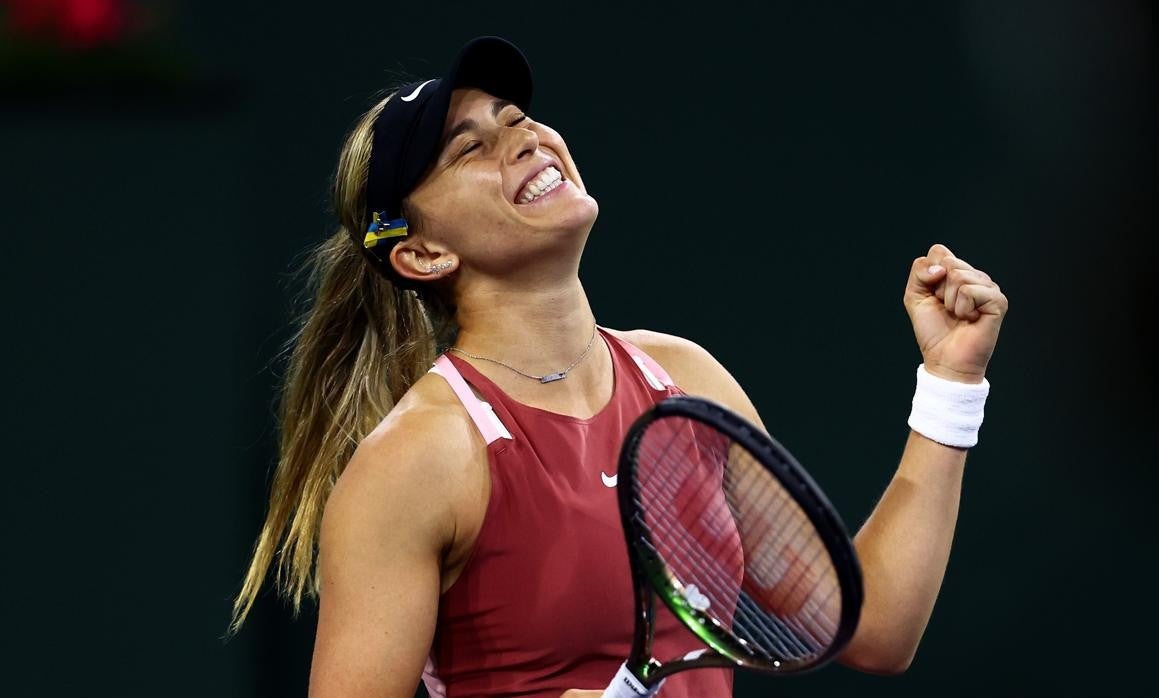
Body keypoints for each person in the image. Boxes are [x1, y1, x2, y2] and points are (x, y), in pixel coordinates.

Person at [228, 36, 1009, 698]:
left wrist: (951, 382)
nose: (523, 137)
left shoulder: (686, 379)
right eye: (472, 146)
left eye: (516, 118)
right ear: (423, 251)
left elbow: (875, 629)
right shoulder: (417, 460)